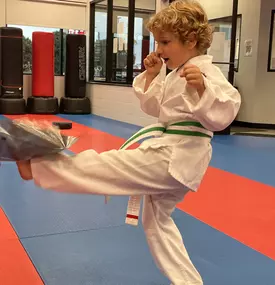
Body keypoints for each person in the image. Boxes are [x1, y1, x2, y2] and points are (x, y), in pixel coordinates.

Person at [16, 1, 241, 284]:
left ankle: (37, 167)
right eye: (158, 41)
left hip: (174, 158)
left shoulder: (206, 74)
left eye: (165, 42)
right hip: (176, 157)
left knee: (109, 165)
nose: (158, 49)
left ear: (192, 40)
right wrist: (151, 75)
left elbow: (227, 111)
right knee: (157, 224)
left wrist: (204, 89)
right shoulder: (176, 74)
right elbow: (155, 107)